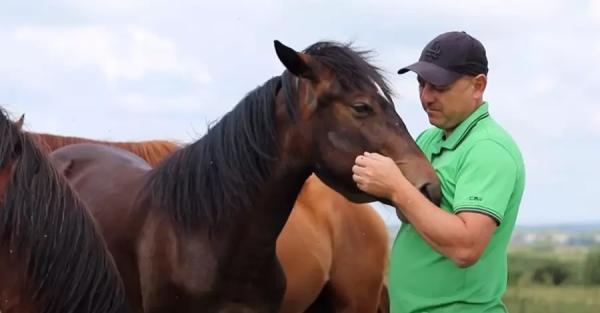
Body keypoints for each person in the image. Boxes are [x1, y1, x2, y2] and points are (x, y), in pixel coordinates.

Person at [352, 31, 525, 313]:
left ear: (478, 85)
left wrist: (396, 187)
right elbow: (411, 213)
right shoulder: (427, 140)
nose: (426, 97)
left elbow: (466, 248)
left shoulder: (489, 149)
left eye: (439, 87)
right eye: (421, 83)